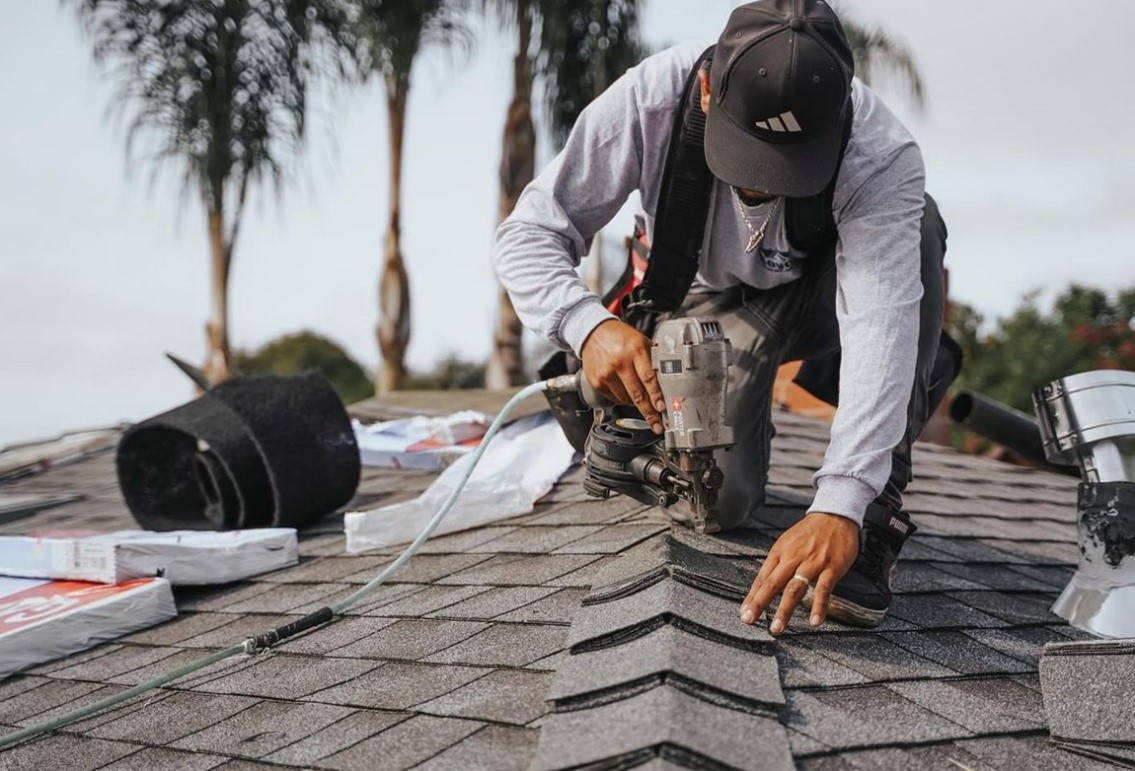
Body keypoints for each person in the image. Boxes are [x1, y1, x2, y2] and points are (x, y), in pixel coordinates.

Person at [493, 0, 949, 634]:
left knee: (922, 227)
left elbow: (880, 322)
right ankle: (631, 433)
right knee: (720, 503)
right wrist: (587, 324)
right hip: (698, 301)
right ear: (709, 89)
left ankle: (874, 522)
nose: (762, 188)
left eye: (788, 167)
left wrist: (842, 503)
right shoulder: (652, 99)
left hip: (820, 299)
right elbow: (528, 233)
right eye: (748, 158)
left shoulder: (879, 152)